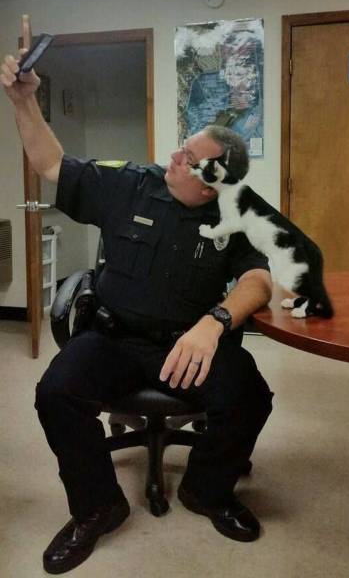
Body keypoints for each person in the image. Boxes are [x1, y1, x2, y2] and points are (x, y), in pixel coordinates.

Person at [1, 50, 274, 574]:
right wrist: (23, 101)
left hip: (186, 346)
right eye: (182, 147)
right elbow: (50, 164)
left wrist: (214, 323)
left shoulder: (237, 212)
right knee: (56, 392)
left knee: (250, 396)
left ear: (212, 183)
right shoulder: (129, 183)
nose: (173, 156)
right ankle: (97, 507)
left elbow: (259, 281)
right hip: (115, 337)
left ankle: (206, 490)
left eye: (187, 158)